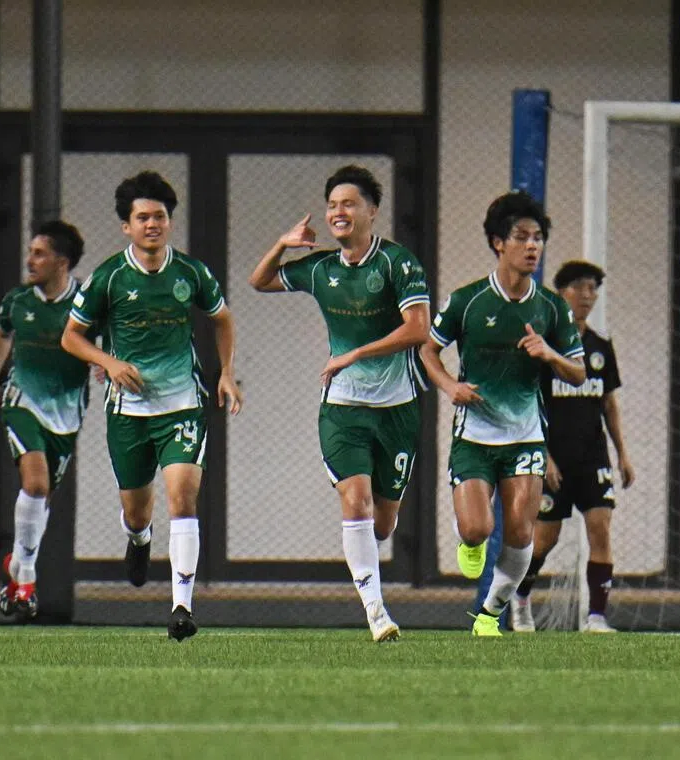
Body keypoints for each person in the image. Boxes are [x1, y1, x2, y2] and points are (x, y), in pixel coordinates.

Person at [248, 165, 431, 642]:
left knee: (384, 523)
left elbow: (418, 330)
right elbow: (259, 281)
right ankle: (376, 611)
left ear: (372, 210)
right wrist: (283, 244)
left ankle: (372, 584)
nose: (338, 212)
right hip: (343, 408)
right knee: (357, 500)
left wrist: (354, 353)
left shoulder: (398, 263)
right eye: (332, 205)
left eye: (348, 203)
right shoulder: (322, 267)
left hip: (398, 408)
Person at [60, 171, 243, 641]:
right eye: (142, 217)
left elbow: (222, 318)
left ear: (169, 221)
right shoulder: (109, 278)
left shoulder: (191, 273)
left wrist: (224, 372)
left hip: (182, 403)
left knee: (183, 496)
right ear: (127, 226)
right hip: (128, 411)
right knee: (139, 511)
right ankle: (138, 539)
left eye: (159, 216)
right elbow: (72, 337)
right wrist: (109, 361)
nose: (152, 224)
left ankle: (182, 605)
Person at [419, 190, 585, 637]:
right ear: (498, 243)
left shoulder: (552, 309)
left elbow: (578, 371)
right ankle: (468, 537)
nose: (532, 246)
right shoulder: (467, 301)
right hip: (474, 435)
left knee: (519, 533)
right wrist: (450, 385)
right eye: (521, 237)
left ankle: (491, 612)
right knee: (478, 529)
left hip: (525, 436)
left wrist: (549, 353)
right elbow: (427, 351)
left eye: (538, 238)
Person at [510, 260, 635, 634]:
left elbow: (608, 402)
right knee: (545, 538)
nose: (587, 295)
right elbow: (528, 403)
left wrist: (623, 453)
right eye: (579, 287)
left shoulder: (600, 346)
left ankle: (596, 617)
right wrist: (543, 455)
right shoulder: (543, 346)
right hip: (553, 458)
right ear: (561, 293)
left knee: (600, 527)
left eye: (593, 288)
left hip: (592, 456)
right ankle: (520, 598)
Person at [0, 220, 92, 622]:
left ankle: (17, 564)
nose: (30, 260)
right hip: (22, 399)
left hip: (66, 410)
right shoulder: (18, 300)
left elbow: (107, 337)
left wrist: (104, 363)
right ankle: (26, 575)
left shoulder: (86, 300)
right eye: (31, 252)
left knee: (43, 497)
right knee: (36, 482)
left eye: (40, 253)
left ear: (62, 262)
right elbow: (2, 334)